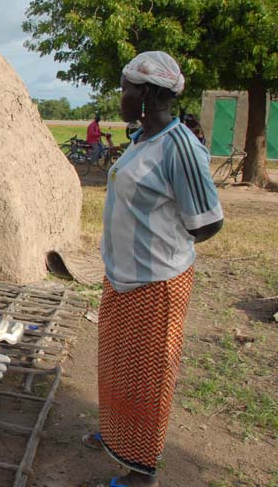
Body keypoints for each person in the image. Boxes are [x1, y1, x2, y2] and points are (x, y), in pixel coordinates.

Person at [85, 51, 223, 487]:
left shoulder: (180, 146)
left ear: (147, 94)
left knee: (148, 374)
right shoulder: (140, 137)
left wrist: (161, 247)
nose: (120, 96)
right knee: (117, 365)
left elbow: (207, 221)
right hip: (123, 277)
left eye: (126, 88)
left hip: (156, 283)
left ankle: (141, 470)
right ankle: (116, 435)